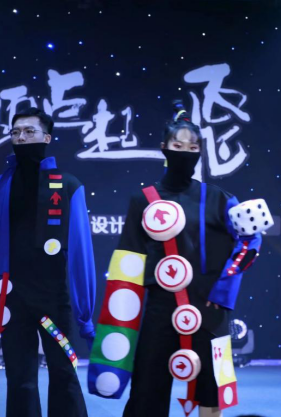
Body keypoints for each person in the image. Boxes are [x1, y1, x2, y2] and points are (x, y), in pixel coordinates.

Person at [88, 103, 270, 417]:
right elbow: (128, 260)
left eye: (193, 147)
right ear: (164, 147)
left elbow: (251, 241)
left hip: (211, 309)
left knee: (212, 392)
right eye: (178, 146)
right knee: (147, 390)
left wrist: (222, 291)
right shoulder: (143, 200)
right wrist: (121, 316)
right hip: (160, 308)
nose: (185, 152)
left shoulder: (219, 198)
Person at [0, 108, 96, 417]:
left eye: (29, 131)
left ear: (46, 138)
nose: (21, 137)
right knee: (20, 380)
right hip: (11, 299)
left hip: (53, 299)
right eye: (16, 132)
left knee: (64, 374)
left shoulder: (68, 185)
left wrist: (84, 316)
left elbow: (81, 252)